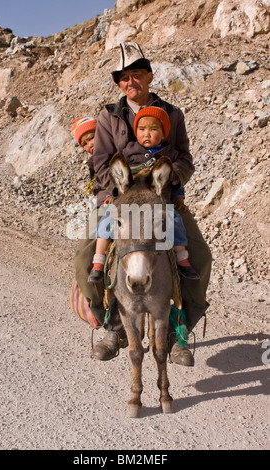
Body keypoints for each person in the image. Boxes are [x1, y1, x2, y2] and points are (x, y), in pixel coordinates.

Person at [74, 42, 212, 366]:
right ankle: (115, 327)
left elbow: (186, 160)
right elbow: (100, 165)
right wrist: (122, 186)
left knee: (200, 258)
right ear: (118, 83)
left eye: (137, 74)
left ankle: (179, 331)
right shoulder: (108, 116)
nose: (130, 81)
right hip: (118, 200)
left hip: (161, 201)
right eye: (124, 77)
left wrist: (169, 178)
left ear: (149, 76)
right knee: (83, 261)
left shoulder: (173, 114)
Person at [87, 106, 200, 283]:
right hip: (125, 200)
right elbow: (111, 170)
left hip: (161, 201)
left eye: (153, 129)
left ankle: (182, 260)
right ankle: (98, 262)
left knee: (178, 224)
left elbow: (180, 173)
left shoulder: (170, 151)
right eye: (142, 129)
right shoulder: (127, 148)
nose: (147, 134)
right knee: (107, 221)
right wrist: (111, 192)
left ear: (164, 134)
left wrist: (179, 196)